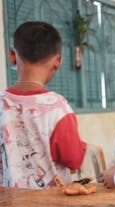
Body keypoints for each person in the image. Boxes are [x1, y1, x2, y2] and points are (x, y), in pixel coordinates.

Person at [0, 21, 87, 189]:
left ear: (12, 56)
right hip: (50, 206)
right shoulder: (57, 107)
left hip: (6, 205)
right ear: (57, 62)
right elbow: (74, 159)